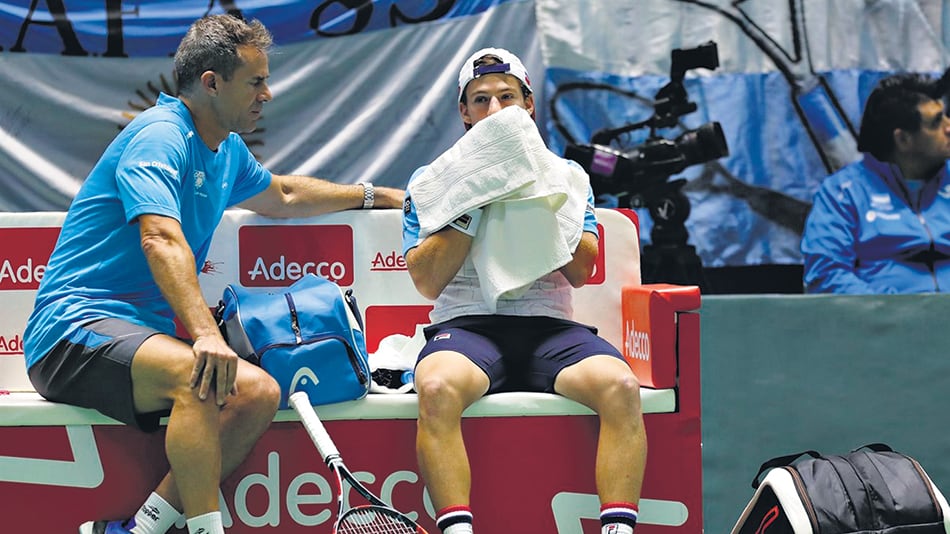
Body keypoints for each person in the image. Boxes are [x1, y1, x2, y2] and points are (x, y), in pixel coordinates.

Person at [22, 14, 403, 534]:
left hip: (138, 339)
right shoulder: (160, 136)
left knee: (257, 393)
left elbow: (284, 195)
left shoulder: (225, 150)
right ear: (211, 83)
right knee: (199, 378)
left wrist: (377, 196)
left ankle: (138, 530)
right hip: (72, 333)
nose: (267, 93)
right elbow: (159, 237)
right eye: (255, 81)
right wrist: (205, 334)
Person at [401, 48, 647, 534]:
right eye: (481, 100)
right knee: (436, 389)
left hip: (549, 329)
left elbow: (581, 269)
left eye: (507, 97)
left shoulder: (568, 176)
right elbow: (427, 281)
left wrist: (529, 186)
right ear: (464, 112)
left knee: (621, 387)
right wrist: (477, 193)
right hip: (466, 328)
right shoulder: (431, 182)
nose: (495, 110)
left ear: (528, 105)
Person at [801, 71, 950, 293]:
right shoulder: (843, 193)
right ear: (903, 139)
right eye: (937, 122)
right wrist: (891, 308)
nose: (949, 127)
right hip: (885, 312)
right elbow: (826, 275)